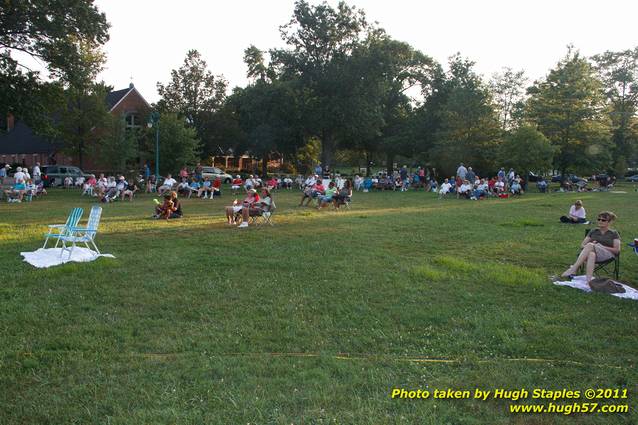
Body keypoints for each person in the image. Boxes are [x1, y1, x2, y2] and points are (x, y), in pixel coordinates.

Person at [561, 211, 620, 283]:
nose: (600, 221)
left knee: (590, 245)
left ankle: (573, 269)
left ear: (609, 222)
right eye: (599, 219)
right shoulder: (593, 231)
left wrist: (600, 246)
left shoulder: (614, 233)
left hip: (607, 255)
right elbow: (582, 245)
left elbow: (617, 250)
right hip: (592, 252)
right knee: (591, 254)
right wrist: (593, 246)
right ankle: (589, 281)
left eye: (603, 220)